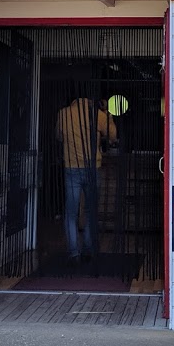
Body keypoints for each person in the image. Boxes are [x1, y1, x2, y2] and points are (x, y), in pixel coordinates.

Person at [55, 96, 117, 264]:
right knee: (90, 211)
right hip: (92, 168)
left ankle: (74, 252)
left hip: (71, 167)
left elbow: (59, 137)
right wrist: (108, 115)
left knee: (71, 213)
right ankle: (89, 249)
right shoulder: (96, 114)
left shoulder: (63, 114)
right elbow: (112, 136)